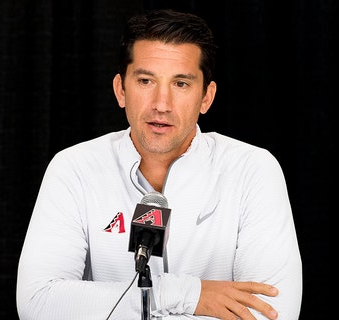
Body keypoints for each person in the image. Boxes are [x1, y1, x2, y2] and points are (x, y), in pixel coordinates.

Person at [16, 8, 302, 320]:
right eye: (145, 80)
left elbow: (271, 312)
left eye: (181, 84)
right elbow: (39, 303)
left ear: (207, 96)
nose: (161, 104)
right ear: (120, 90)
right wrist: (191, 294)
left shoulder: (253, 170)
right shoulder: (74, 168)